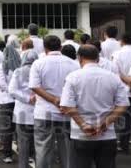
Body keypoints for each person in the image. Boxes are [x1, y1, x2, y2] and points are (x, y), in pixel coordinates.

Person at [60, 45, 128, 168]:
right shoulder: (113, 77)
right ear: (98, 58)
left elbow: (67, 106)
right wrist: (105, 123)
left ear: (79, 58)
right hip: (107, 134)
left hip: (80, 134)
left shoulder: (73, 77)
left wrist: (83, 125)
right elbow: (122, 105)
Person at [29, 35, 80, 168]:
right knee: (68, 149)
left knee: (43, 149)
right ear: (61, 47)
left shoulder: (38, 63)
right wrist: (63, 101)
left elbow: (34, 86)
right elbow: (78, 87)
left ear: (44, 48)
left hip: (44, 112)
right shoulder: (74, 64)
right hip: (67, 112)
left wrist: (53, 100)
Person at [9, 50, 37, 168]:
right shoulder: (39, 70)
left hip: (22, 112)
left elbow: (12, 90)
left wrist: (26, 98)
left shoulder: (18, 71)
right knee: (39, 145)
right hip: (39, 112)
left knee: (23, 144)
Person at [0, 35, 19, 163]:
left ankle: (7, 154)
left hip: (5, 100)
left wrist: (10, 91)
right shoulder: (19, 67)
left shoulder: (1, 66)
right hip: (18, 100)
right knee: (19, 127)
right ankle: (24, 150)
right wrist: (15, 92)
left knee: (6, 128)